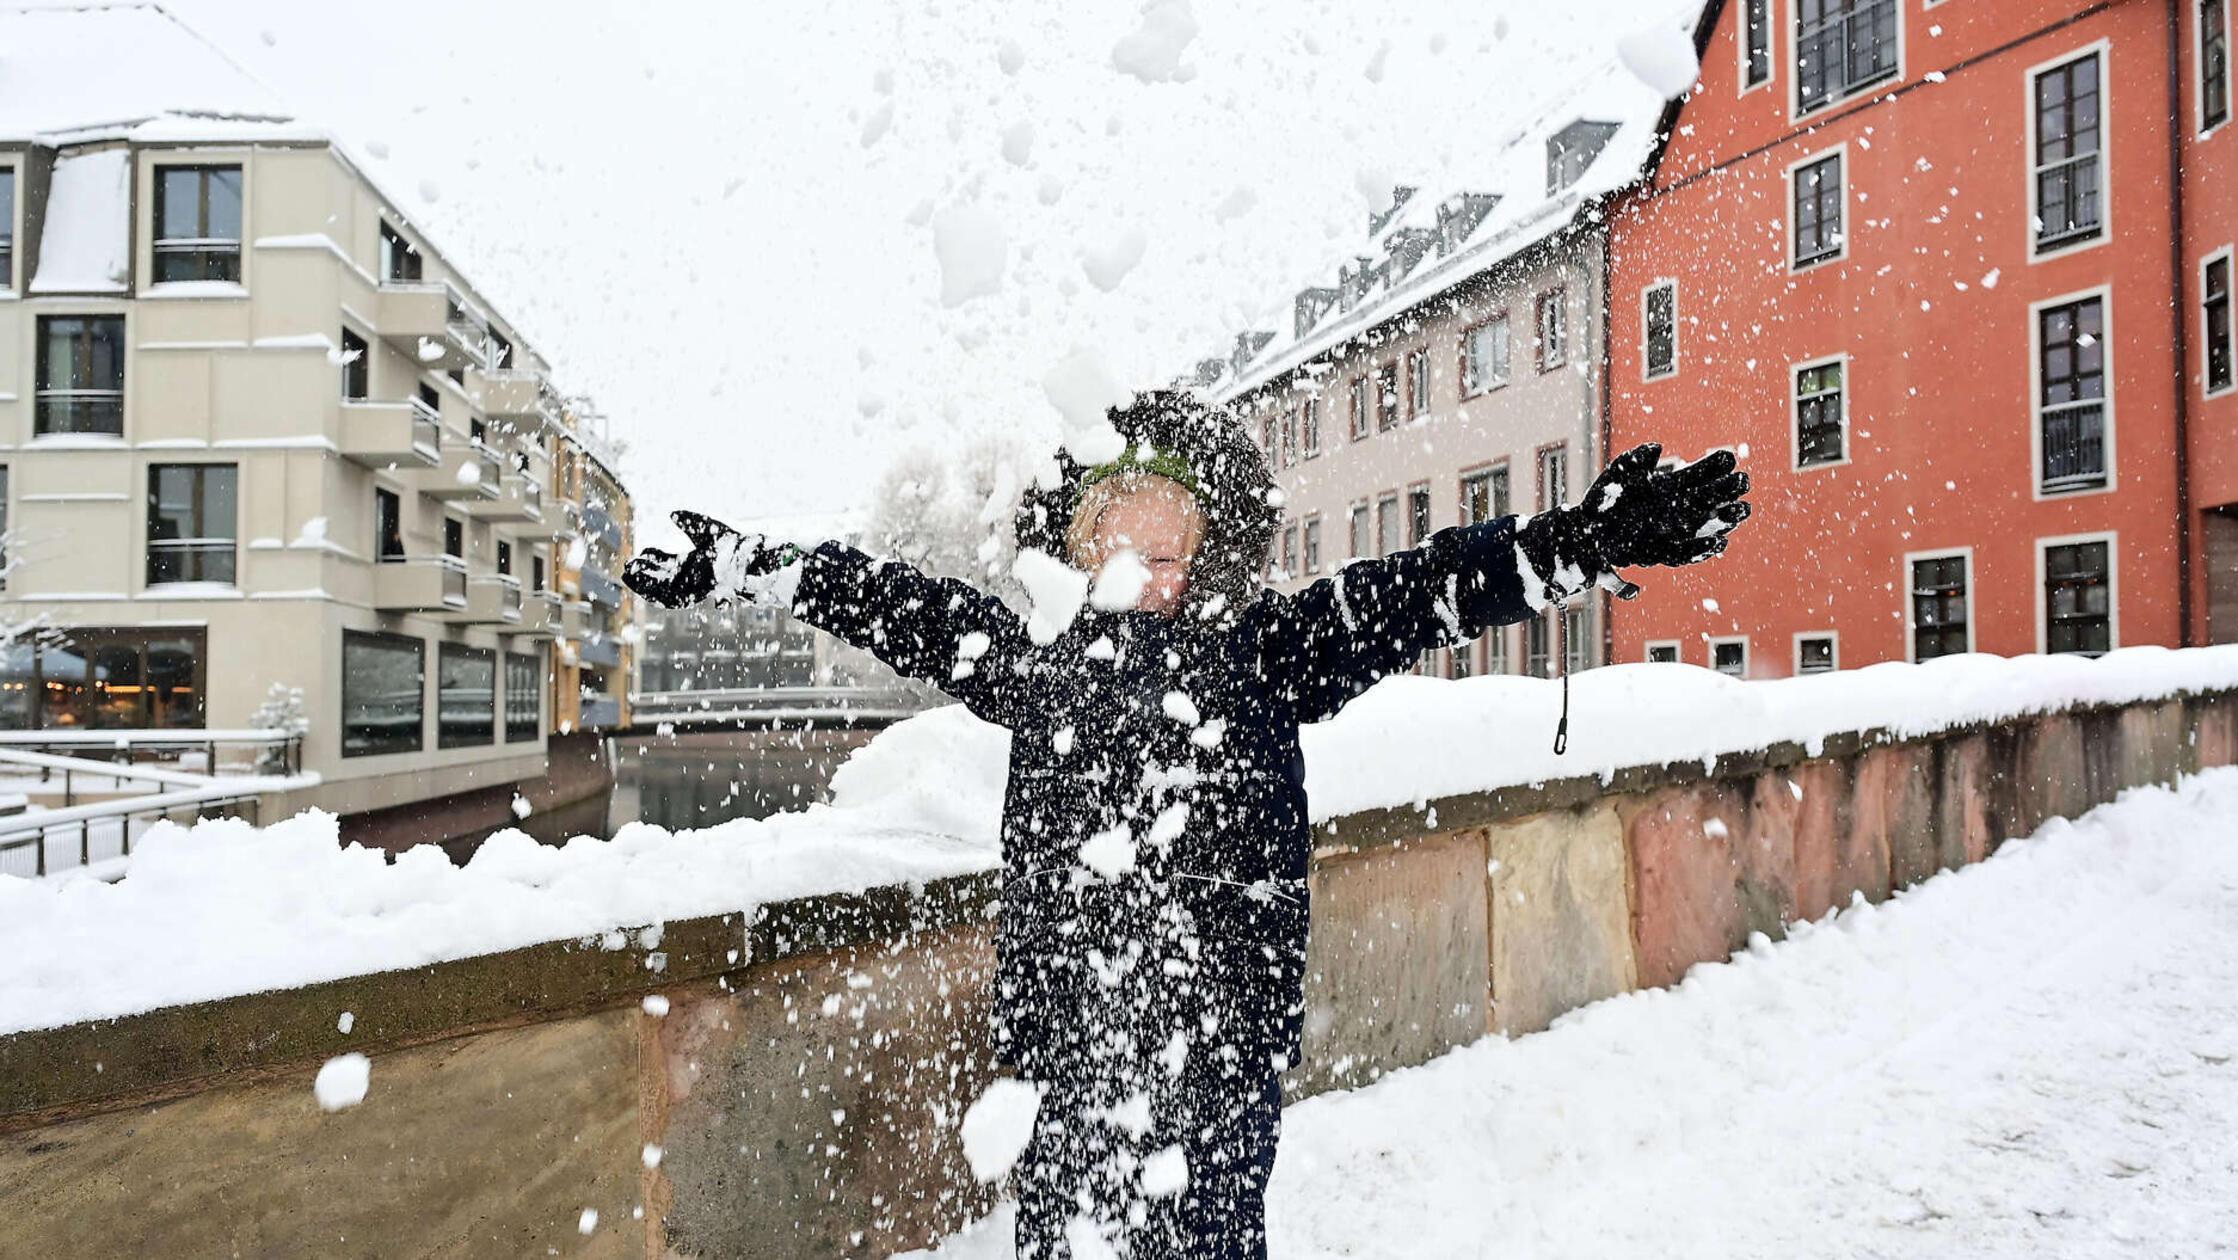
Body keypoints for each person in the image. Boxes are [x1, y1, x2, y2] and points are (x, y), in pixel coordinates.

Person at [623, 390, 1750, 1260]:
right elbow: (892, 599)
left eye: (1172, 553)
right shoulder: (1037, 664)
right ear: (1074, 552)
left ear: (1205, 555)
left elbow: (1419, 589)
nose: (1149, 577)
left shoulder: (1264, 655)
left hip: (1220, 1056)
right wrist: (748, 564)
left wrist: (1576, 546)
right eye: (1121, 550)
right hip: (1066, 1058)